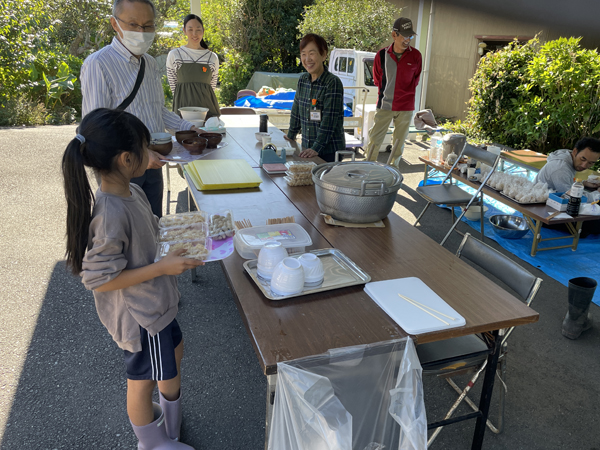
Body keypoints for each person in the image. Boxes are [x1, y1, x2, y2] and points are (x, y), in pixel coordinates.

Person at [62, 108, 203, 449]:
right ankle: (152, 442)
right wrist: (161, 268)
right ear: (126, 159)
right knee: (143, 382)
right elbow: (99, 279)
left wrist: (184, 234)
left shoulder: (131, 192)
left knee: (173, 356)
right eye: (145, 147)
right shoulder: (110, 214)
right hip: (141, 316)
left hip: (156, 304)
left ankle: (170, 425)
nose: (151, 153)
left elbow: (150, 230)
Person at [81, 0, 198, 218]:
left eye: (148, 25)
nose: (141, 32)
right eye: (133, 24)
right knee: (125, 229)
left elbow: (157, 109)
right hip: (120, 168)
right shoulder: (98, 64)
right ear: (115, 24)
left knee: (154, 225)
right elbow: (95, 129)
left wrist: (189, 127)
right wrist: (139, 154)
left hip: (154, 160)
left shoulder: (150, 64)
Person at [365, 17, 422, 167]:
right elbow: (377, 80)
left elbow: (415, 80)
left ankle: (393, 170)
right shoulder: (381, 55)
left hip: (406, 106)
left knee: (399, 143)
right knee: (375, 140)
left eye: (410, 36)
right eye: (404, 36)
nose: (407, 40)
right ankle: (367, 168)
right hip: (385, 104)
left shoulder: (416, 56)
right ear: (394, 35)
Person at [286, 33, 345, 163]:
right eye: (303, 54)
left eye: (312, 53)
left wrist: (316, 148)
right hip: (308, 149)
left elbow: (329, 121)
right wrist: (290, 136)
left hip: (329, 152)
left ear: (323, 55)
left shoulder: (332, 83)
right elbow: (296, 112)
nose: (307, 59)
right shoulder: (302, 80)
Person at [166, 14, 221, 119]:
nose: (194, 34)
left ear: (203, 31)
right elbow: (173, 86)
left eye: (198, 30)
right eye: (190, 29)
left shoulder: (212, 57)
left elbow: (212, 87)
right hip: (182, 110)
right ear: (184, 31)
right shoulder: (175, 55)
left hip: (207, 111)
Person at [534, 137, 600, 192]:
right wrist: (597, 194)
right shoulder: (560, 168)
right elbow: (571, 195)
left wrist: (583, 183)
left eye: (591, 163)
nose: (584, 165)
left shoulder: (569, 158)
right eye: (583, 159)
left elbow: (566, 181)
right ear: (575, 151)